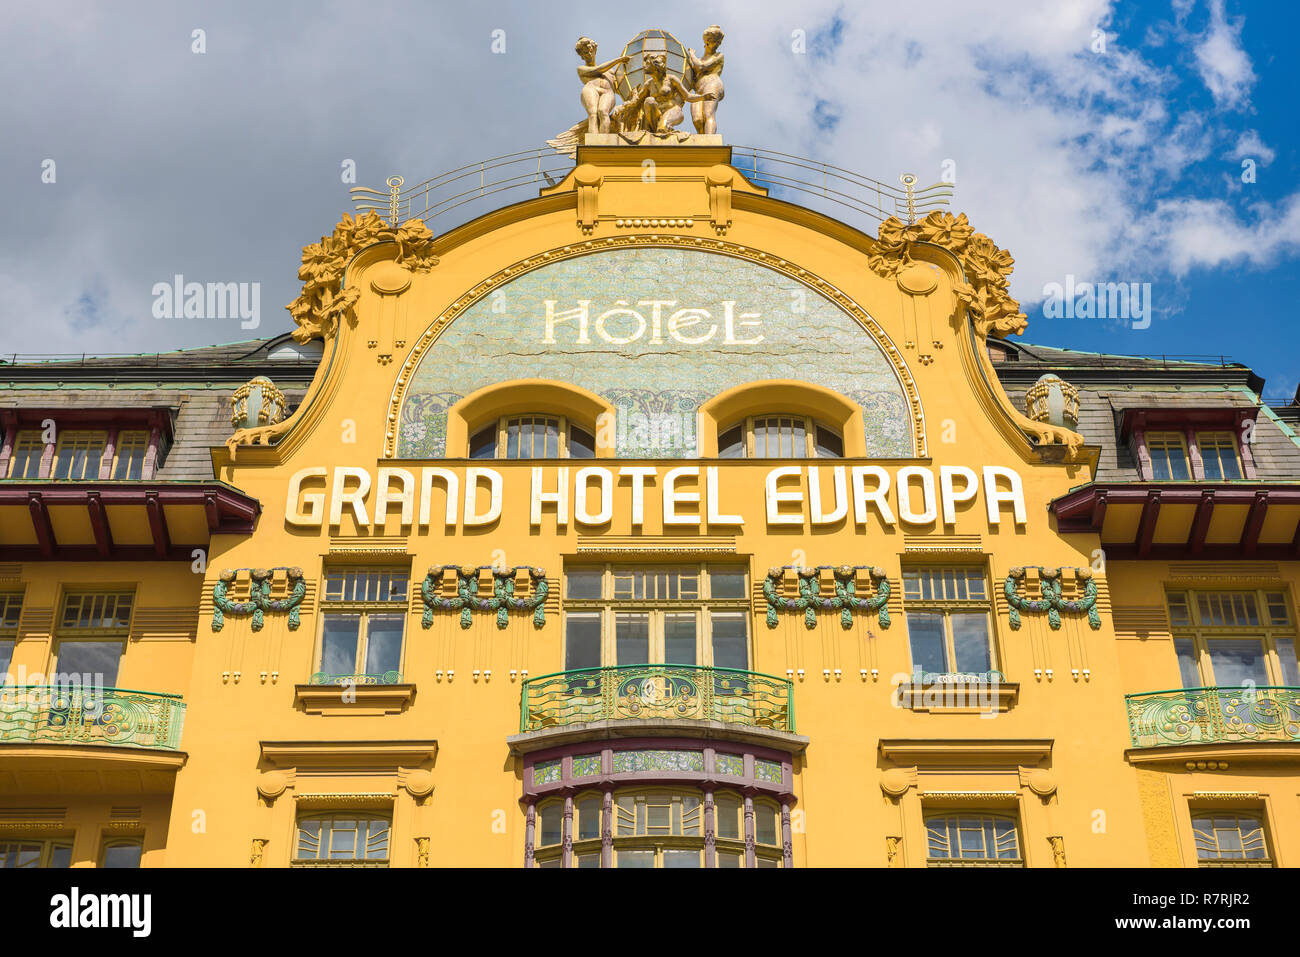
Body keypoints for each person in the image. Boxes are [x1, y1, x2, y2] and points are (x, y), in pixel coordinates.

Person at [685, 25, 725, 135]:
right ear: (706, 42)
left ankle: (710, 140)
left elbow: (701, 67)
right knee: (697, 119)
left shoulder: (718, 56)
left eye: (718, 42)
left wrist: (692, 55)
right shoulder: (699, 60)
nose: (716, 44)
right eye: (713, 41)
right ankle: (703, 141)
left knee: (708, 113)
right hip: (698, 90)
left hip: (712, 84)